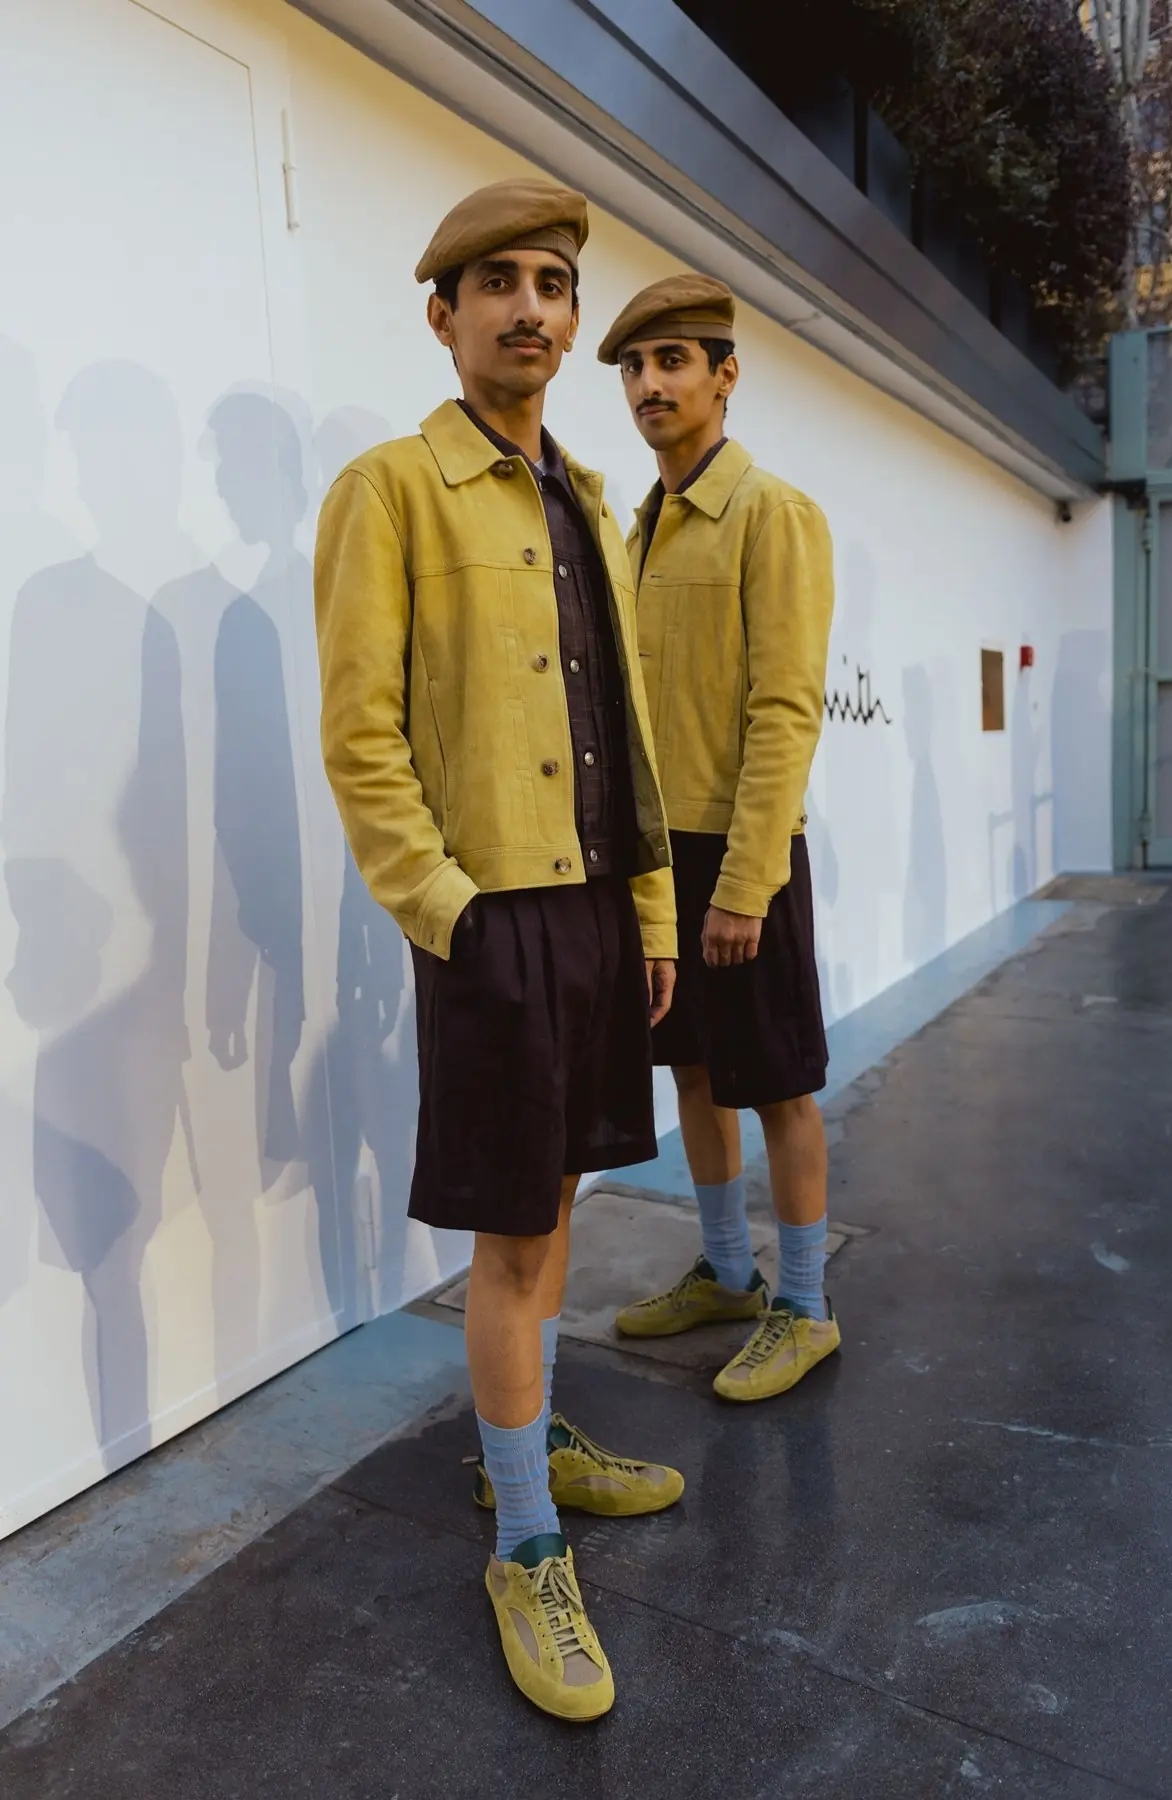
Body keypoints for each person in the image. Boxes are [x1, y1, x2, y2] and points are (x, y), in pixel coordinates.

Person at [314, 180, 682, 1724]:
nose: (531, 307)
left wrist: (649, 909)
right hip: (497, 915)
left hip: (598, 906)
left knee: (565, 1194)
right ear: (444, 315)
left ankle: (524, 1444)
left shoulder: (586, 492)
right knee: (514, 1233)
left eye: (552, 283)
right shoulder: (392, 489)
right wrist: (449, 912)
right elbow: (361, 736)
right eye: (499, 284)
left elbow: (626, 723)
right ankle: (525, 1542)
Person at [598, 274, 838, 1404]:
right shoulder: (637, 528)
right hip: (662, 859)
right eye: (634, 368)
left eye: (673, 361)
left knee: (780, 1083)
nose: (650, 385)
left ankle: (807, 1306)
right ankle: (732, 1273)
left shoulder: (772, 513)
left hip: (746, 855)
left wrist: (747, 882)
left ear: (725, 374)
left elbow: (786, 709)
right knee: (693, 1069)